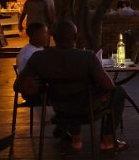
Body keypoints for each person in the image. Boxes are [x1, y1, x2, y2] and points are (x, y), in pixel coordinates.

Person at [14, 20, 127, 152]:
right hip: (86, 109)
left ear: (54, 37)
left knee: (68, 96)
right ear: (75, 37)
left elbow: (18, 86)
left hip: (60, 109)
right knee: (119, 91)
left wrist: (42, 89)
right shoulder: (87, 57)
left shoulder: (39, 58)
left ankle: (76, 139)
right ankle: (108, 141)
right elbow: (109, 86)